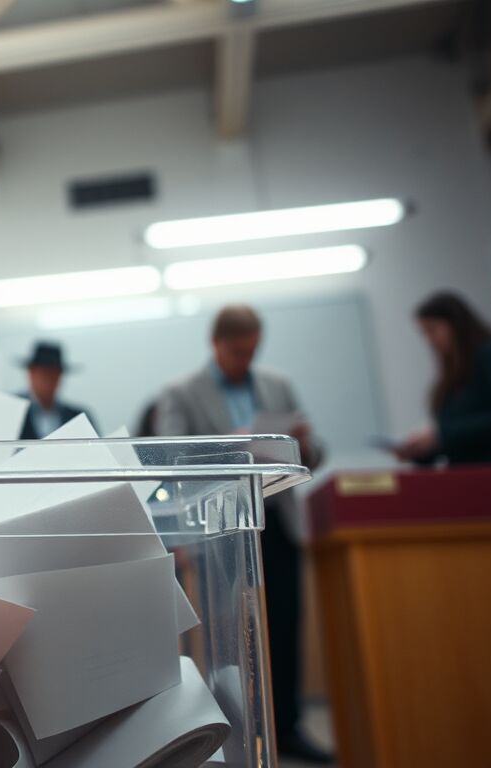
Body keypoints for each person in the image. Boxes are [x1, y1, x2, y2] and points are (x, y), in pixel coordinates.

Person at [154, 304, 330, 764]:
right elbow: (169, 459)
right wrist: (232, 443)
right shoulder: (180, 393)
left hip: (278, 524)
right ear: (216, 345)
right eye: (237, 352)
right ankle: (227, 732)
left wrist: (305, 445)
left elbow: (313, 454)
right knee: (229, 634)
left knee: (287, 625)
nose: (245, 360)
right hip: (223, 532)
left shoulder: (278, 384)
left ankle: (288, 728)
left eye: (253, 351)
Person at [393, 291, 491, 464]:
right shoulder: (453, 372)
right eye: (424, 333)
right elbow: (460, 439)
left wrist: (442, 435)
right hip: (467, 476)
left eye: (432, 330)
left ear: (455, 324)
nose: (429, 340)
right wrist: (423, 451)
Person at [18, 341, 93, 439]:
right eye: (44, 374)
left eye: (54, 374)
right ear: (31, 373)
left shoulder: (78, 417)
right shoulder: (12, 413)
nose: (49, 380)